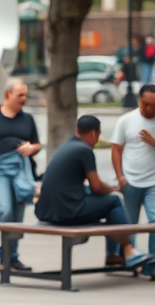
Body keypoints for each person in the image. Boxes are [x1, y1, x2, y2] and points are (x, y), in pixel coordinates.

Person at [36, 115, 151, 269]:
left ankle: (115, 255)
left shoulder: (67, 146)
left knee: (108, 205)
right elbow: (97, 187)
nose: (97, 139)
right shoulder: (84, 150)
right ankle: (127, 250)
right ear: (93, 133)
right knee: (114, 201)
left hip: (47, 212)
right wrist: (114, 188)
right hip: (67, 212)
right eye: (98, 134)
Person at [0, 79, 41, 271]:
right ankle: (4, 255)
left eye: (25, 95)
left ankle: (12, 257)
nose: (24, 99)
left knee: (18, 217)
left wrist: (31, 148)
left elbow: (37, 144)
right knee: (6, 210)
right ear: (8, 95)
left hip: (20, 171)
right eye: (20, 95)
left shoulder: (27, 119)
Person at [112, 84, 155, 280]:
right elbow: (116, 149)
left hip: (153, 182)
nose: (148, 109)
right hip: (130, 181)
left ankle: (152, 264)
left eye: (153, 105)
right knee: (129, 224)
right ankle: (131, 261)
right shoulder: (126, 120)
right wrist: (120, 175)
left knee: (154, 222)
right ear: (139, 100)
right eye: (145, 104)